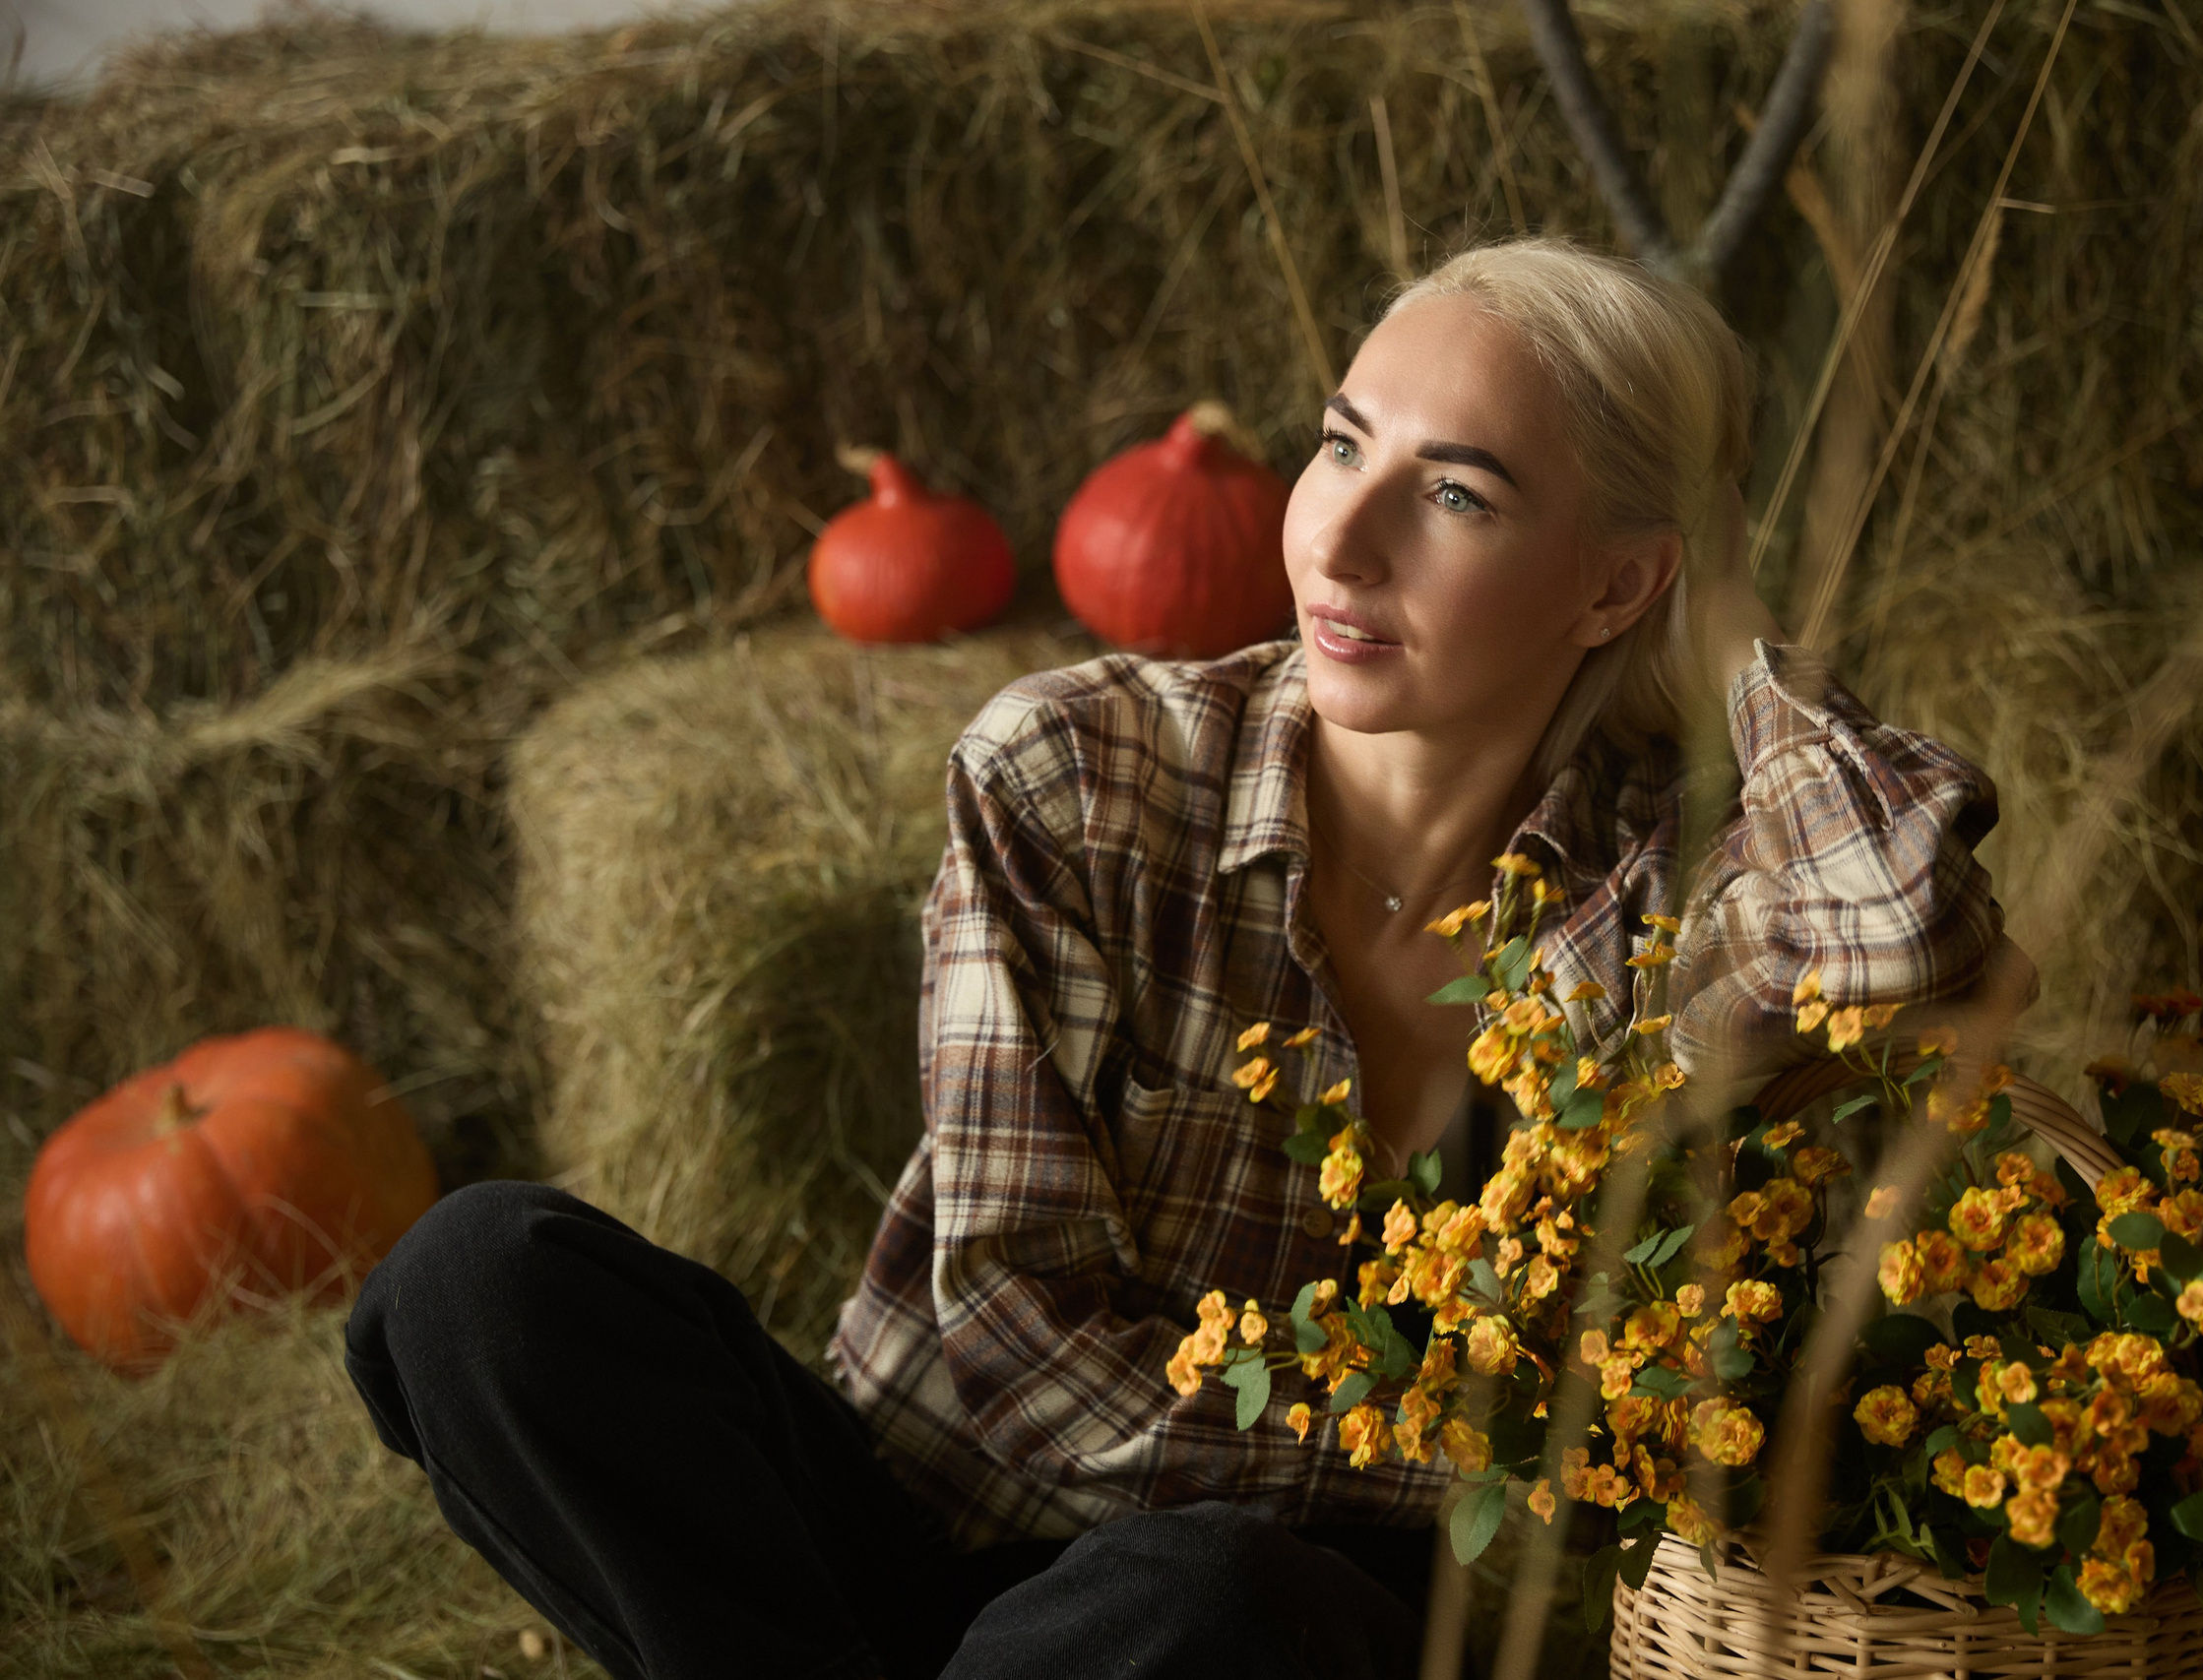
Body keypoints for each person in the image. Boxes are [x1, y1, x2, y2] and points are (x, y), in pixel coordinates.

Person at [344, 236, 2004, 1680]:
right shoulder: (1079, 773)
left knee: (1186, 1595)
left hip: (1258, 1633)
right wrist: (1491, 1467)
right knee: (476, 1284)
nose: (1340, 542)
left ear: (1615, 581)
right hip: (915, 1528)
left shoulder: (1658, 898)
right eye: (1340, 444)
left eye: (1454, 495)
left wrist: (1725, 635)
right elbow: (1008, 1338)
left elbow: (1906, 920)